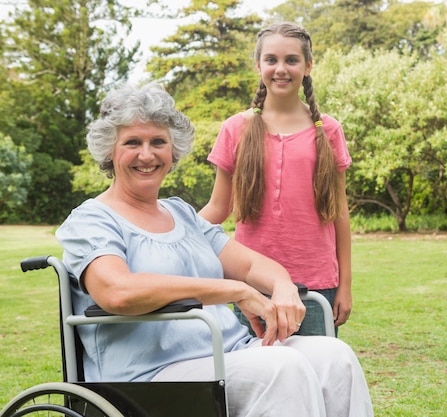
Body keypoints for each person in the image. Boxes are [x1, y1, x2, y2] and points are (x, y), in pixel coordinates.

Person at [55, 82, 374, 417]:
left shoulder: (181, 214)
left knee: (334, 357)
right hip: (147, 375)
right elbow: (117, 292)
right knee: (281, 366)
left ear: (172, 150)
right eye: (132, 142)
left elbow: (251, 266)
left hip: (227, 353)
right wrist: (231, 290)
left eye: (158, 142)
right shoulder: (92, 219)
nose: (147, 155)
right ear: (109, 150)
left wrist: (281, 285)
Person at [199, 22, 352, 336]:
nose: (281, 69)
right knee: (257, 375)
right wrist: (170, 229)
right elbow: (218, 208)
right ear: (258, 65)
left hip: (316, 286)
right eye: (271, 60)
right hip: (251, 287)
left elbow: (339, 214)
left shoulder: (329, 130)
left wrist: (345, 286)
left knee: (315, 376)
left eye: (291, 60)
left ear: (308, 66)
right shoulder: (234, 129)